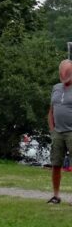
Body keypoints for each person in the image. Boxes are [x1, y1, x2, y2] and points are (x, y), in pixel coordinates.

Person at [48, 59, 72, 204]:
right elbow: (51, 111)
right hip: (58, 132)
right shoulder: (56, 88)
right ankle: (56, 196)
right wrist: (52, 130)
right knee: (56, 164)